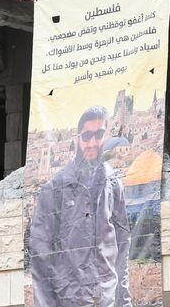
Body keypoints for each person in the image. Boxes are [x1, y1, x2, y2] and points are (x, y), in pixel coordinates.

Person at [28, 106, 132, 307]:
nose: (92, 142)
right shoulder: (55, 189)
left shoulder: (113, 184)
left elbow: (122, 246)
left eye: (99, 134)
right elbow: (41, 259)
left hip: (106, 300)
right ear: (78, 138)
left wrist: (125, 302)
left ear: (106, 136)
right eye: (86, 136)